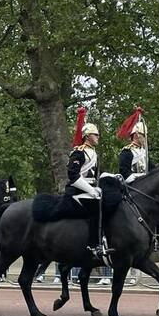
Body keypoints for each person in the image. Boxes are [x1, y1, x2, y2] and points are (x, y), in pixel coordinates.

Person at [66, 107, 108, 258]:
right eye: (95, 134)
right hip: (76, 191)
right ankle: (93, 245)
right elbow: (73, 176)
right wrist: (91, 190)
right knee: (97, 209)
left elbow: (96, 175)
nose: (98, 137)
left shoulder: (93, 153)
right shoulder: (79, 152)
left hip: (89, 189)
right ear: (87, 136)